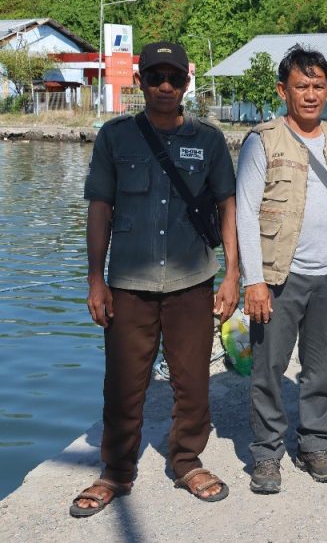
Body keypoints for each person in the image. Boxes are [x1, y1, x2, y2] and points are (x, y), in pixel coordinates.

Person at [73, 42, 239, 517]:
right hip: (129, 282)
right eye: (155, 77)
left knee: (192, 382)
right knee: (123, 383)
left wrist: (232, 275)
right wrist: (94, 280)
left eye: (174, 78)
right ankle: (116, 471)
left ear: (187, 82)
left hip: (192, 280)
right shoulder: (115, 137)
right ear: (140, 81)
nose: (165, 86)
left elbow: (227, 207)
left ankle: (186, 461)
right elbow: (100, 208)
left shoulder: (208, 139)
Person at [237, 46, 327, 494]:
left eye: (318, 86)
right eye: (301, 86)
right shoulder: (263, 140)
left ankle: (314, 443)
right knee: (269, 368)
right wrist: (253, 281)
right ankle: (266, 453)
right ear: (283, 90)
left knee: (321, 369)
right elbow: (244, 212)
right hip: (279, 276)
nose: (310, 94)